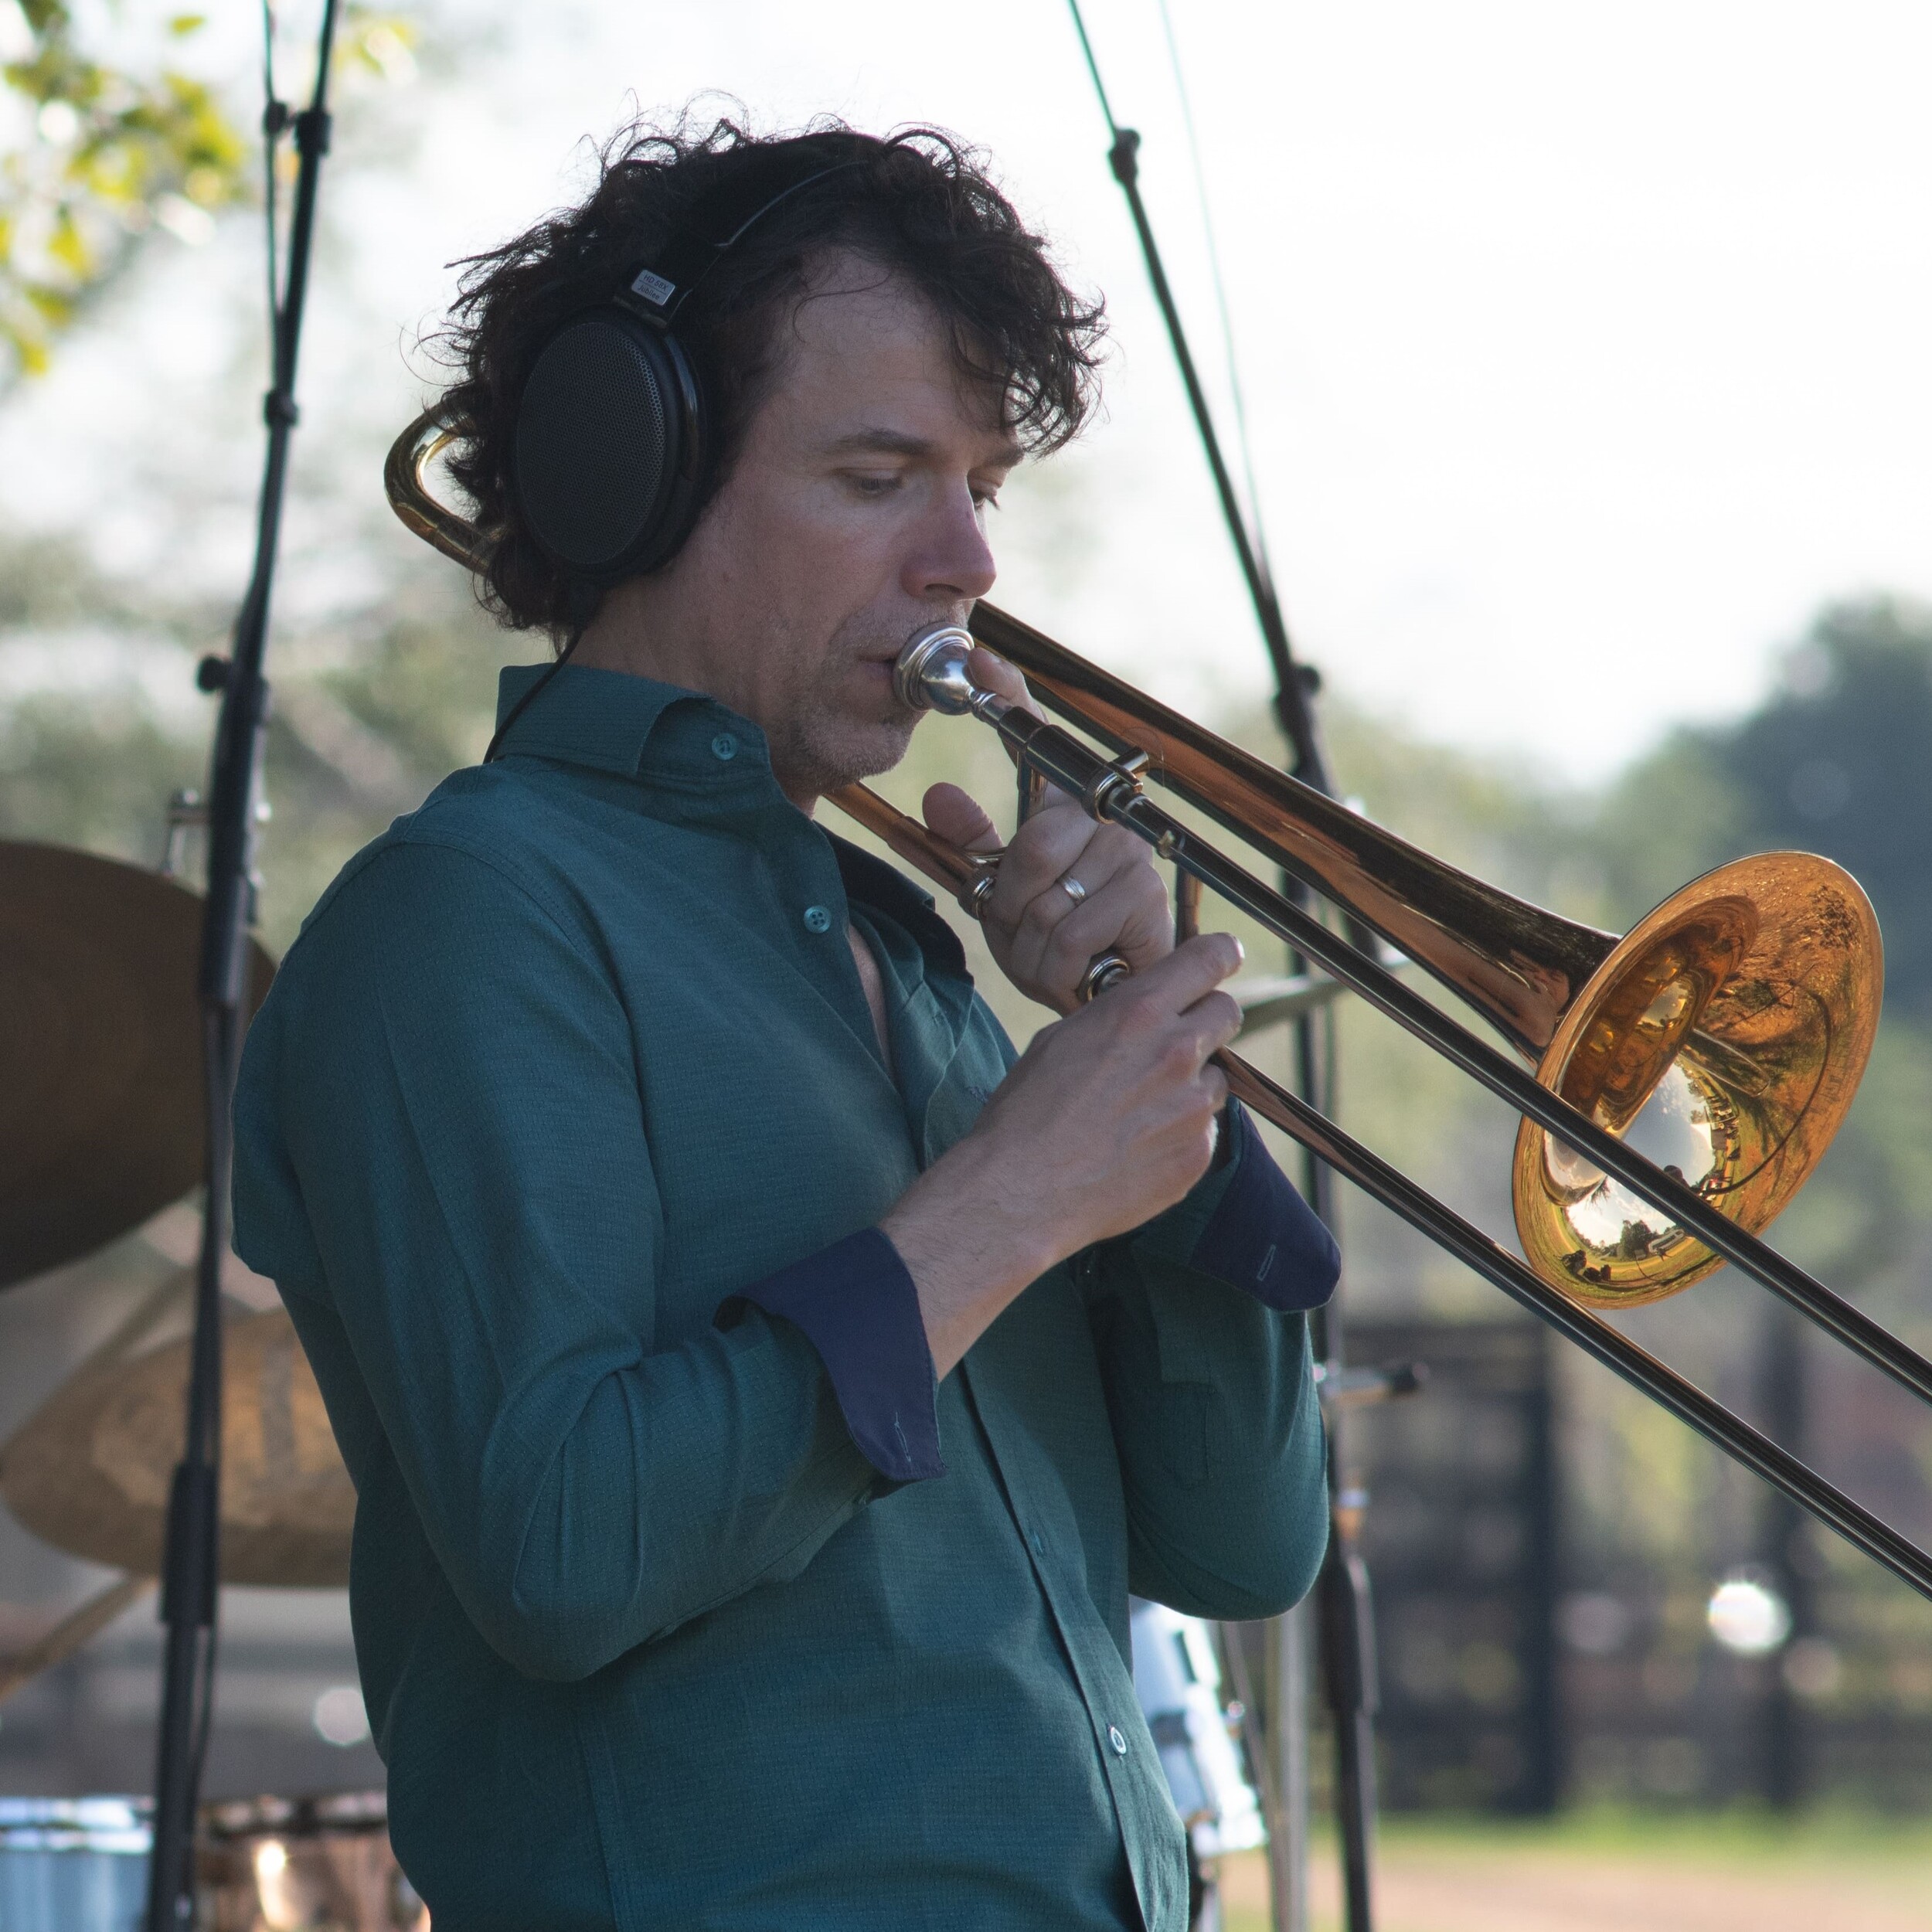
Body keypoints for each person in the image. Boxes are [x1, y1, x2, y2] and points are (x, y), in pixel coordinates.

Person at [233, 115, 1338, 1932]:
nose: (966, 556)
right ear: (633, 474)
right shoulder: (471, 915)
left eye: (982, 481)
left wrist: (1155, 1075)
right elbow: (560, 1548)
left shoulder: (903, 946)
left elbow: (1244, 1540)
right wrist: (1008, 1201)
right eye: (880, 472)